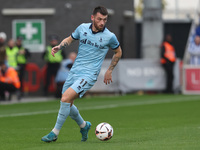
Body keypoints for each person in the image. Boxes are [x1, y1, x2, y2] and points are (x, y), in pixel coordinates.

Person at [41, 6, 122, 142]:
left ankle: (54, 133)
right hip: (75, 71)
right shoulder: (82, 28)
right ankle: (84, 126)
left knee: (65, 98)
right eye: (99, 19)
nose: (102, 22)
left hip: (89, 75)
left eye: (105, 20)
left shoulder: (110, 36)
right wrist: (59, 47)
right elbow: (70, 39)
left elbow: (118, 52)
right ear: (92, 18)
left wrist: (110, 70)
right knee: (68, 103)